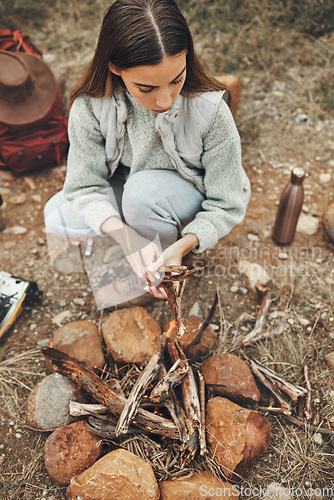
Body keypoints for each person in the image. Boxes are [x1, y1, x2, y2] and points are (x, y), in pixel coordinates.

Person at [44, 0, 251, 308]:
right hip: (128, 186)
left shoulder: (211, 111)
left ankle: (167, 265)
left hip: (182, 195)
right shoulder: (89, 104)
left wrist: (186, 244)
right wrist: (127, 237)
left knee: (141, 194)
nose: (166, 99)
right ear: (114, 67)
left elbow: (228, 203)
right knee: (58, 215)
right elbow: (83, 187)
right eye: (146, 88)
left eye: (176, 79)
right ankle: (139, 247)